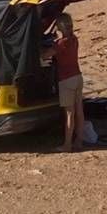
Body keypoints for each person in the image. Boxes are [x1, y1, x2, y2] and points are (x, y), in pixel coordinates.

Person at [44, 13, 86, 152]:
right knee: (79, 111)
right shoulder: (74, 39)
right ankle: (79, 141)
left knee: (69, 113)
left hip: (66, 80)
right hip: (77, 77)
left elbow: (45, 55)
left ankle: (67, 144)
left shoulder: (60, 44)